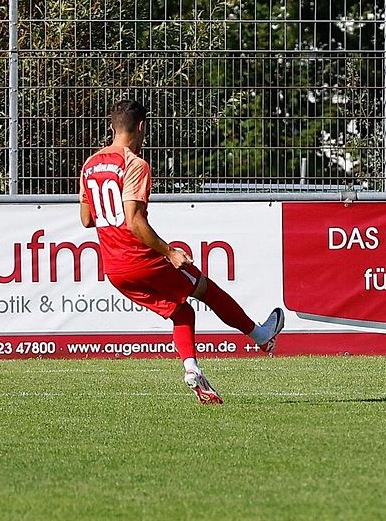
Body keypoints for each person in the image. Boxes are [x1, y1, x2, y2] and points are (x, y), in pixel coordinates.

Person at [79, 100, 284, 405]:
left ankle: (191, 368)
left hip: (114, 269)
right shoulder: (134, 164)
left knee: (182, 311)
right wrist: (170, 251)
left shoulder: (90, 164)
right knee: (205, 288)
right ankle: (260, 335)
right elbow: (134, 221)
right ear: (142, 128)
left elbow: (86, 219)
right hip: (141, 259)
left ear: (111, 127)